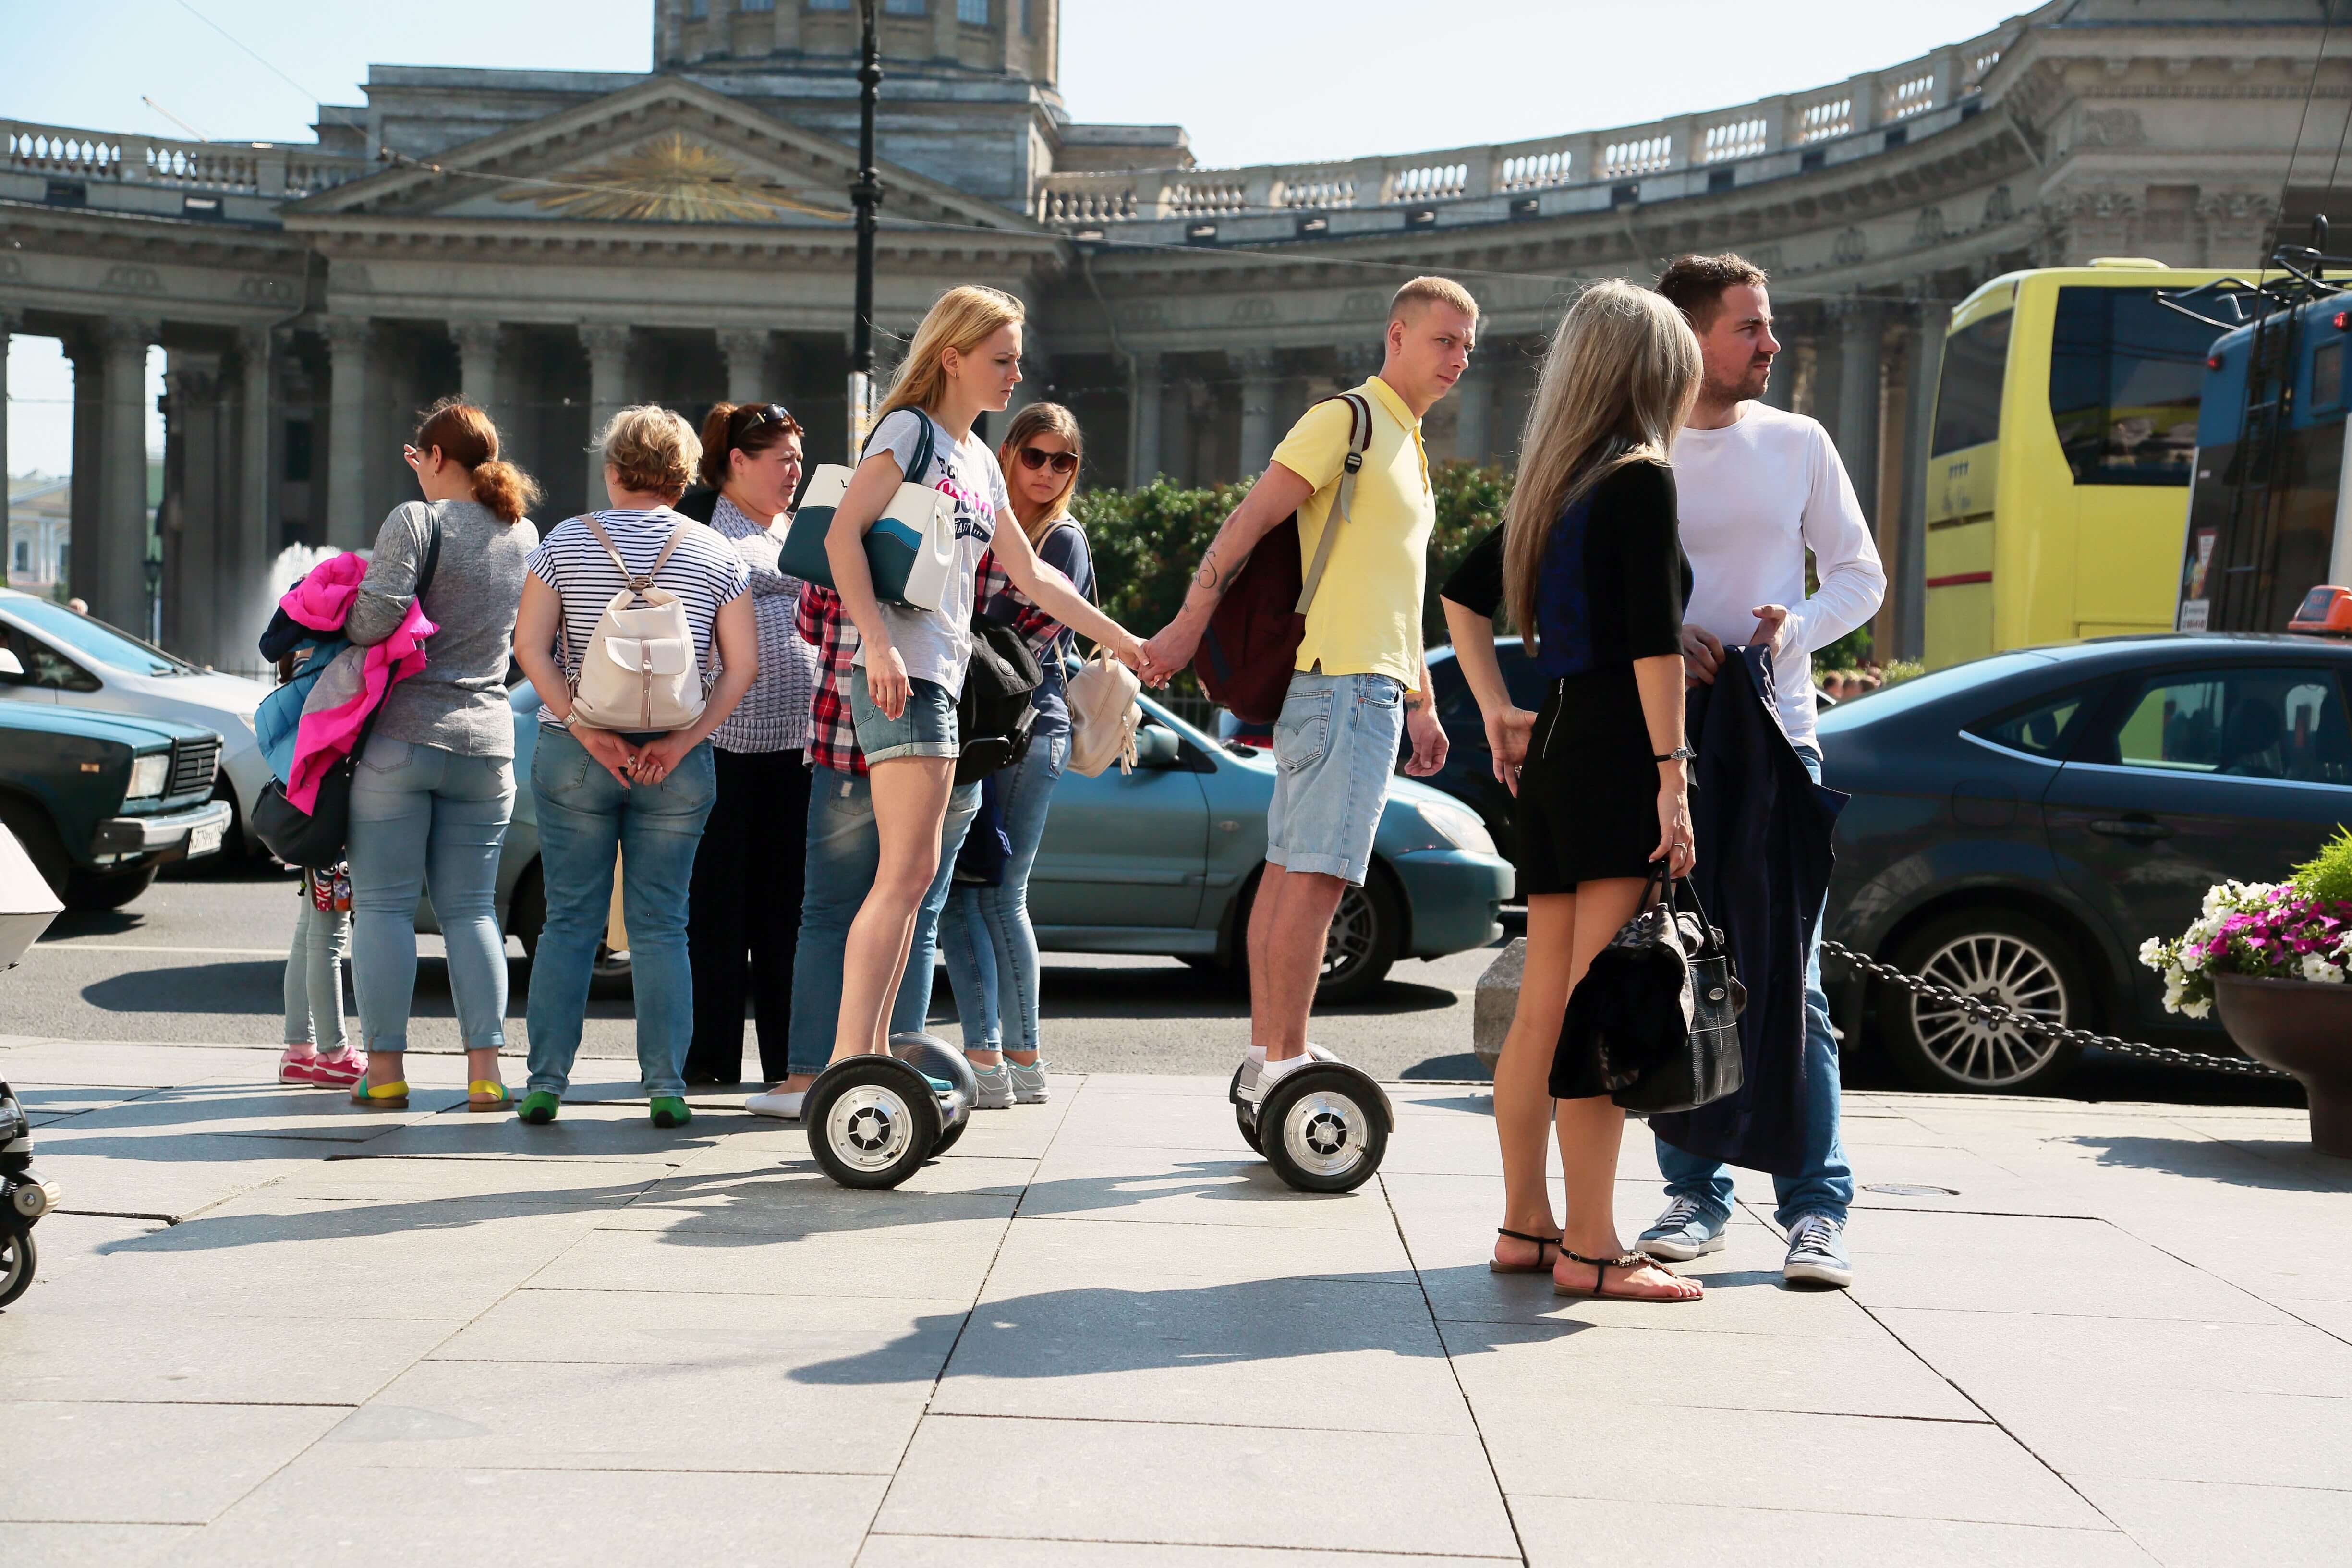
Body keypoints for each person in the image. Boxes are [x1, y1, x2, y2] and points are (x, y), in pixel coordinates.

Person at [1137, 277, 1469, 1111]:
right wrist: (1184, 625)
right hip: (1339, 685)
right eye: (1443, 340)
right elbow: (1246, 523)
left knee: (1293, 873)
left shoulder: (1410, 442)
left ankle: (1270, 1054)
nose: (1459, 358)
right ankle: (1280, 1059)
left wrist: (1422, 700)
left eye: (1468, 345)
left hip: (1368, 685)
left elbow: (1397, 586)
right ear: (1396, 336)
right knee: (1311, 879)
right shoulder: (1346, 421)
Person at [1438, 279, 1706, 1302]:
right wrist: (1672, 779)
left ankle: (1525, 1225)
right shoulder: (1639, 478)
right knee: (1599, 1007)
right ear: (1656, 371)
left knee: (1546, 1002)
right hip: (1611, 755)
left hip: (1554, 743)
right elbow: (1654, 648)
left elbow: (1459, 596)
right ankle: (1593, 1248)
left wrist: (1502, 707)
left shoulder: (1559, 482)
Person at [819, 285, 1145, 1083]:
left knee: (917, 875)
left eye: (1017, 360)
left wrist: (1128, 642)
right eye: (1001, 360)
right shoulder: (910, 432)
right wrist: (878, 648)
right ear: (952, 357)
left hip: (943, 678)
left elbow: (1032, 576)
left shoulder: (973, 458)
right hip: (906, 676)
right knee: (903, 876)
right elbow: (839, 535)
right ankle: (846, 1061)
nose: (1014, 375)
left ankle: (866, 1058)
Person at [1637, 253, 1885, 1289]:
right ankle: (1695, 1194)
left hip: (1779, 734)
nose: (1771, 345)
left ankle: (1815, 1208)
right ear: (1690, 335)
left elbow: (1860, 578)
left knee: (1799, 983)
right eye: (1749, 327)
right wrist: (1667, 631)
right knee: (1681, 974)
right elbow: (1582, 591)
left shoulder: (1798, 442)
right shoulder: (1634, 450)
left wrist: (1794, 630)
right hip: (1667, 743)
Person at [511, 405, 757, 1128]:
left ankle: (546, 1082)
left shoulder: (564, 541)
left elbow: (530, 647)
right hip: (676, 760)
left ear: (612, 470)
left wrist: (587, 730)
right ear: (683, 479)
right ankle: (664, 1084)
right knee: (660, 925)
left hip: (576, 753)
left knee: (569, 922)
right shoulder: (718, 555)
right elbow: (741, 667)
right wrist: (680, 742)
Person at [343, 399, 542, 1113]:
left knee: (387, 908)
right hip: (488, 742)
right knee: (473, 911)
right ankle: (485, 1074)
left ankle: (387, 1071)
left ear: (433, 459)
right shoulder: (522, 531)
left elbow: (372, 622)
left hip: (404, 734)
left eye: (420, 459)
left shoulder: (415, 520)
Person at [938, 401, 1091, 1108]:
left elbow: (1015, 647)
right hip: (974, 727)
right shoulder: (989, 521)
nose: (1049, 472)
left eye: (1063, 461)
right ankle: (988, 1060)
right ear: (1008, 454)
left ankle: (1020, 1059)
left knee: (999, 893)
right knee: (964, 893)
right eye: (1036, 455)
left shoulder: (1061, 541)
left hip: (1024, 728)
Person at [681, 401, 818, 1089]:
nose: (794, 471)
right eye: (781, 459)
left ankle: (784, 1062)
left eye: (798, 458)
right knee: (718, 912)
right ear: (737, 462)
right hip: (724, 750)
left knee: (784, 913)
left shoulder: (793, 528)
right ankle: (709, 1061)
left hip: (796, 751)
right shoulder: (712, 534)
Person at [278, 859, 356, 1087]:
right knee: (327, 937)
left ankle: (300, 1054)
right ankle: (335, 1056)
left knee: (309, 933)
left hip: (317, 840)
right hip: (335, 844)